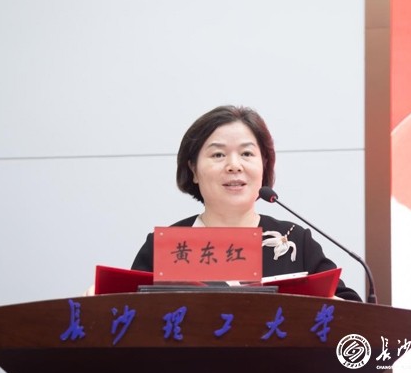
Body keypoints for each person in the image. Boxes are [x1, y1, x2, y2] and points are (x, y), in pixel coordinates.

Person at [131, 105, 362, 301]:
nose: (234, 165)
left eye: (247, 154)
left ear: (264, 164)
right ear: (193, 170)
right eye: (218, 155)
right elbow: (125, 316)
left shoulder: (294, 240)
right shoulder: (165, 246)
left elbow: (354, 314)